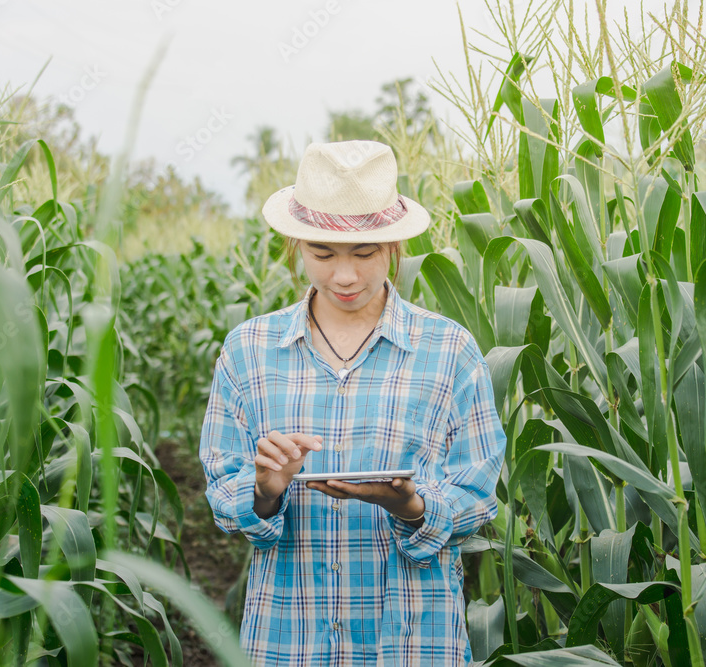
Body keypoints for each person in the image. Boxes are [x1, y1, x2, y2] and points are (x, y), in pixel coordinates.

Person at [199, 140, 507, 666]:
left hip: (410, 640)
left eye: (364, 254)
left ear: (393, 248)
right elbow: (223, 494)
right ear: (297, 245)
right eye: (322, 254)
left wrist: (411, 506)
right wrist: (264, 492)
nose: (344, 276)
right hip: (288, 638)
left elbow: (477, 495)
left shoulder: (449, 350)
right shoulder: (248, 351)